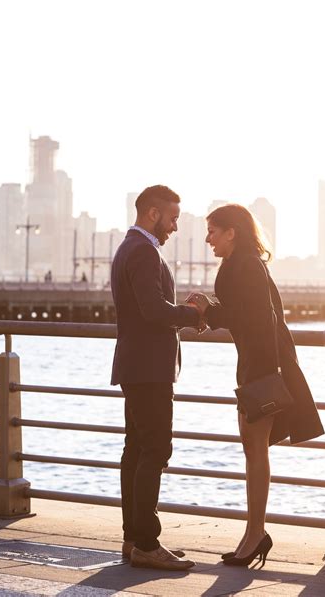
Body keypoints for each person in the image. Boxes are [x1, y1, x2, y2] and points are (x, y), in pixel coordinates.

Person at [188, 204, 324, 568]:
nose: (208, 238)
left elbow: (257, 318)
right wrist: (211, 308)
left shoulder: (244, 265)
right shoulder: (245, 263)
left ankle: (255, 534)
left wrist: (207, 310)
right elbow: (247, 314)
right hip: (257, 366)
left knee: (255, 451)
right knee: (254, 451)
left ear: (232, 232)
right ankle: (254, 533)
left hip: (259, 370)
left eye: (213, 231)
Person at [110, 185, 203, 571]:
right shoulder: (144, 251)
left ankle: (134, 539)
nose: (175, 226)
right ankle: (147, 543)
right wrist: (192, 313)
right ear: (153, 213)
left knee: (136, 449)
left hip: (135, 365)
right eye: (173, 217)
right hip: (149, 369)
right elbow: (153, 309)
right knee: (155, 450)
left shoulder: (129, 248)